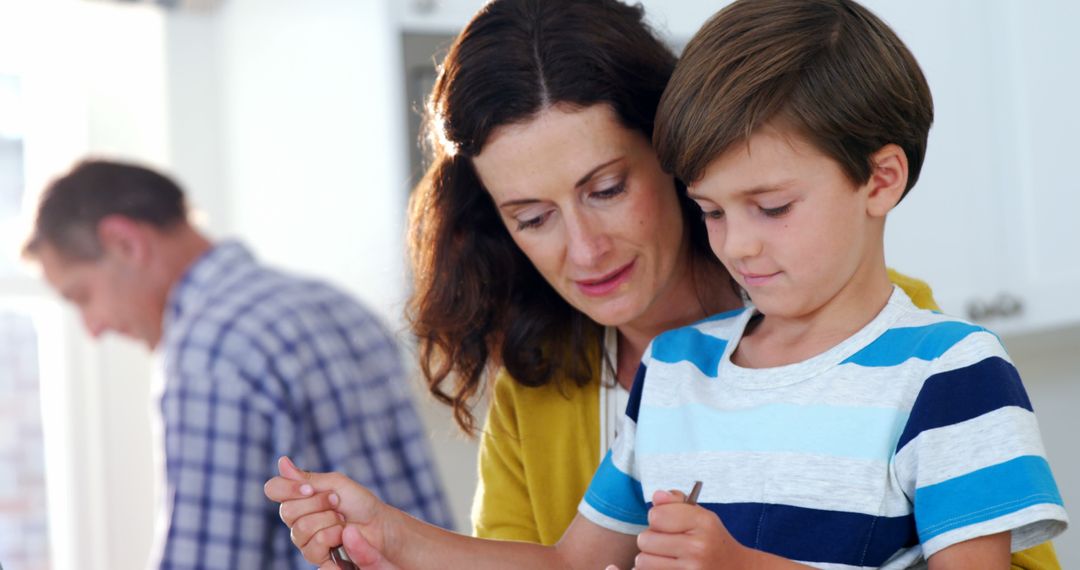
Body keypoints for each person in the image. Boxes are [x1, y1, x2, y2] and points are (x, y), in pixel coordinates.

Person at [267, 0, 1069, 567]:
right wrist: (391, 541)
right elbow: (565, 566)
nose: (583, 250)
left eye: (607, 188)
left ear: (675, 150)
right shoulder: (656, 373)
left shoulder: (928, 357)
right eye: (531, 215)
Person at [21, 160, 453, 569]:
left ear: (125, 243)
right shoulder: (335, 304)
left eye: (82, 296)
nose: (92, 327)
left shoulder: (209, 350)